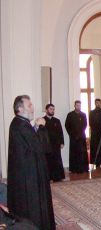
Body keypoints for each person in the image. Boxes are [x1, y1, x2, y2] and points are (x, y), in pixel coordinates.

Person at [8, 95, 55, 229]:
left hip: (29, 174)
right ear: (20, 109)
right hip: (29, 178)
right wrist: (40, 127)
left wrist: (35, 127)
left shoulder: (20, 123)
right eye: (29, 105)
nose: (33, 108)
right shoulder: (20, 125)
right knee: (33, 207)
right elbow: (39, 146)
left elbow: (30, 141)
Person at [65, 100, 88, 173]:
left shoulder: (83, 114)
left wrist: (80, 133)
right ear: (74, 106)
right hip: (73, 138)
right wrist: (72, 134)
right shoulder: (70, 114)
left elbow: (85, 125)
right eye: (77, 105)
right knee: (74, 153)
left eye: (79, 105)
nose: (78, 106)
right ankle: (74, 169)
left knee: (82, 153)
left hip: (82, 137)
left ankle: (83, 168)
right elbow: (67, 125)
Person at [43, 103, 65, 182]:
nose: (52, 111)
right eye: (51, 109)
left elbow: (60, 132)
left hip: (56, 144)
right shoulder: (42, 120)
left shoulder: (57, 120)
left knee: (57, 160)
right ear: (46, 110)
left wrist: (62, 142)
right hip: (47, 145)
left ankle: (58, 177)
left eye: (53, 109)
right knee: (48, 161)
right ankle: (49, 177)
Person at [89, 99, 101, 168]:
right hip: (94, 132)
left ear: (100, 103)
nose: (98, 104)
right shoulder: (91, 112)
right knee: (95, 147)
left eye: (99, 103)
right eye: (96, 103)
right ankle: (96, 162)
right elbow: (90, 123)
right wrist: (94, 130)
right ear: (95, 103)